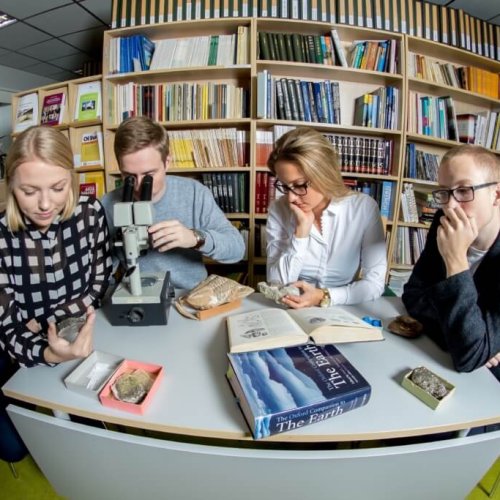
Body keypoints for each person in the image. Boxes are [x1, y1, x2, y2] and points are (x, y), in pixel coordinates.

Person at [0, 126, 112, 368]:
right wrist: (51, 354)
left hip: (93, 337)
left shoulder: (90, 212)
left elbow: (99, 285)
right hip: (31, 360)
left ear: (71, 179)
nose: (45, 204)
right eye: (29, 191)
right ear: (11, 186)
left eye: (58, 188)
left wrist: (42, 322)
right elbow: (8, 328)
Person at [101, 116, 246, 289]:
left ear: (167, 162)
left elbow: (237, 249)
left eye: (149, 175)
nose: (139, 186)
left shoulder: (194, 193)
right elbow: (100, 271)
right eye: (129, 176)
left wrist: (194, 238)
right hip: (139, 292)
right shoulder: (108, 204)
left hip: (188, 294)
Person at [402, 144, 500, 382]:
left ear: (496, 194)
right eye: (444, 192)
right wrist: (476, 341)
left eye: (464, 190)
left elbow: (468, 358)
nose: (450, 206)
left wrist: (455, 260)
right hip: (438, 356)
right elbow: (412, 295)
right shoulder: (443, 222)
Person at [265, 127, 387, 308]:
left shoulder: (363, 208)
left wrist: (324, 296)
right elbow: (277, 284)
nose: (291, 198)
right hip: (291, 307)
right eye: (285, 186)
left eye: (299, 185)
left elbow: (375, 284)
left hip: (343, 308)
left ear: (324, 174)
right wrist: (301, 233)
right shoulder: (279, 209)